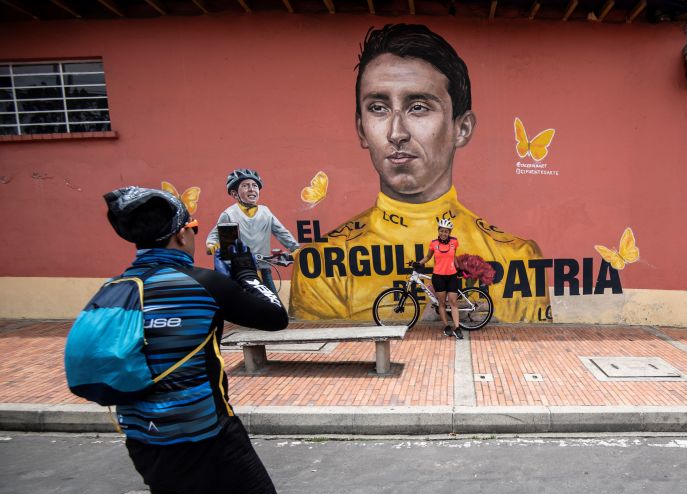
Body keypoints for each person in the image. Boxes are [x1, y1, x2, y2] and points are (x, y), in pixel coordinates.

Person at [105, 186, 287, 494]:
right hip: (206, 431)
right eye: (190, 227)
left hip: (143, 434)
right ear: (179, 237)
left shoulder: (114, 290)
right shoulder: (202, 283)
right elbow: (273, 316)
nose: (192, 234)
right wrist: (245, 269)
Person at [289, 23, 550, 324]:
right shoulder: (324, 261)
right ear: (361, 129)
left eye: (418, 107)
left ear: (461, 128)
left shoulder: (518, 257)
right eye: (378, 107)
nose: (396, 133)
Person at [206, 168, 300, 294]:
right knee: (243, 302)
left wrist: (295, 248)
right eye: (245, 186)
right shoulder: (230, 214)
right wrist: (211, 245)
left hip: (263, 267)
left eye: (254, 186)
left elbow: (281, 232)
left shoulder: (265, 212)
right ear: (235, 194)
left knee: (274, 302)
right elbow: (216, 236)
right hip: (241, 269)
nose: (251, 189)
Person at [416, 217, 462, 338]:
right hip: (438, 277)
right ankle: (446, 326)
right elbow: (428, 257)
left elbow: (454, 256)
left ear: (449, 233)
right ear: (438, 231)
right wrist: (419, 263)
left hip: (452, 276)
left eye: (446, 231)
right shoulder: (433, 243)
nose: (443, 233)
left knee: (453, 302)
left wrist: (459, 268)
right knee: (441, 303)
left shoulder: (454, 242)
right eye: (441, 230)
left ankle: (457, 327)